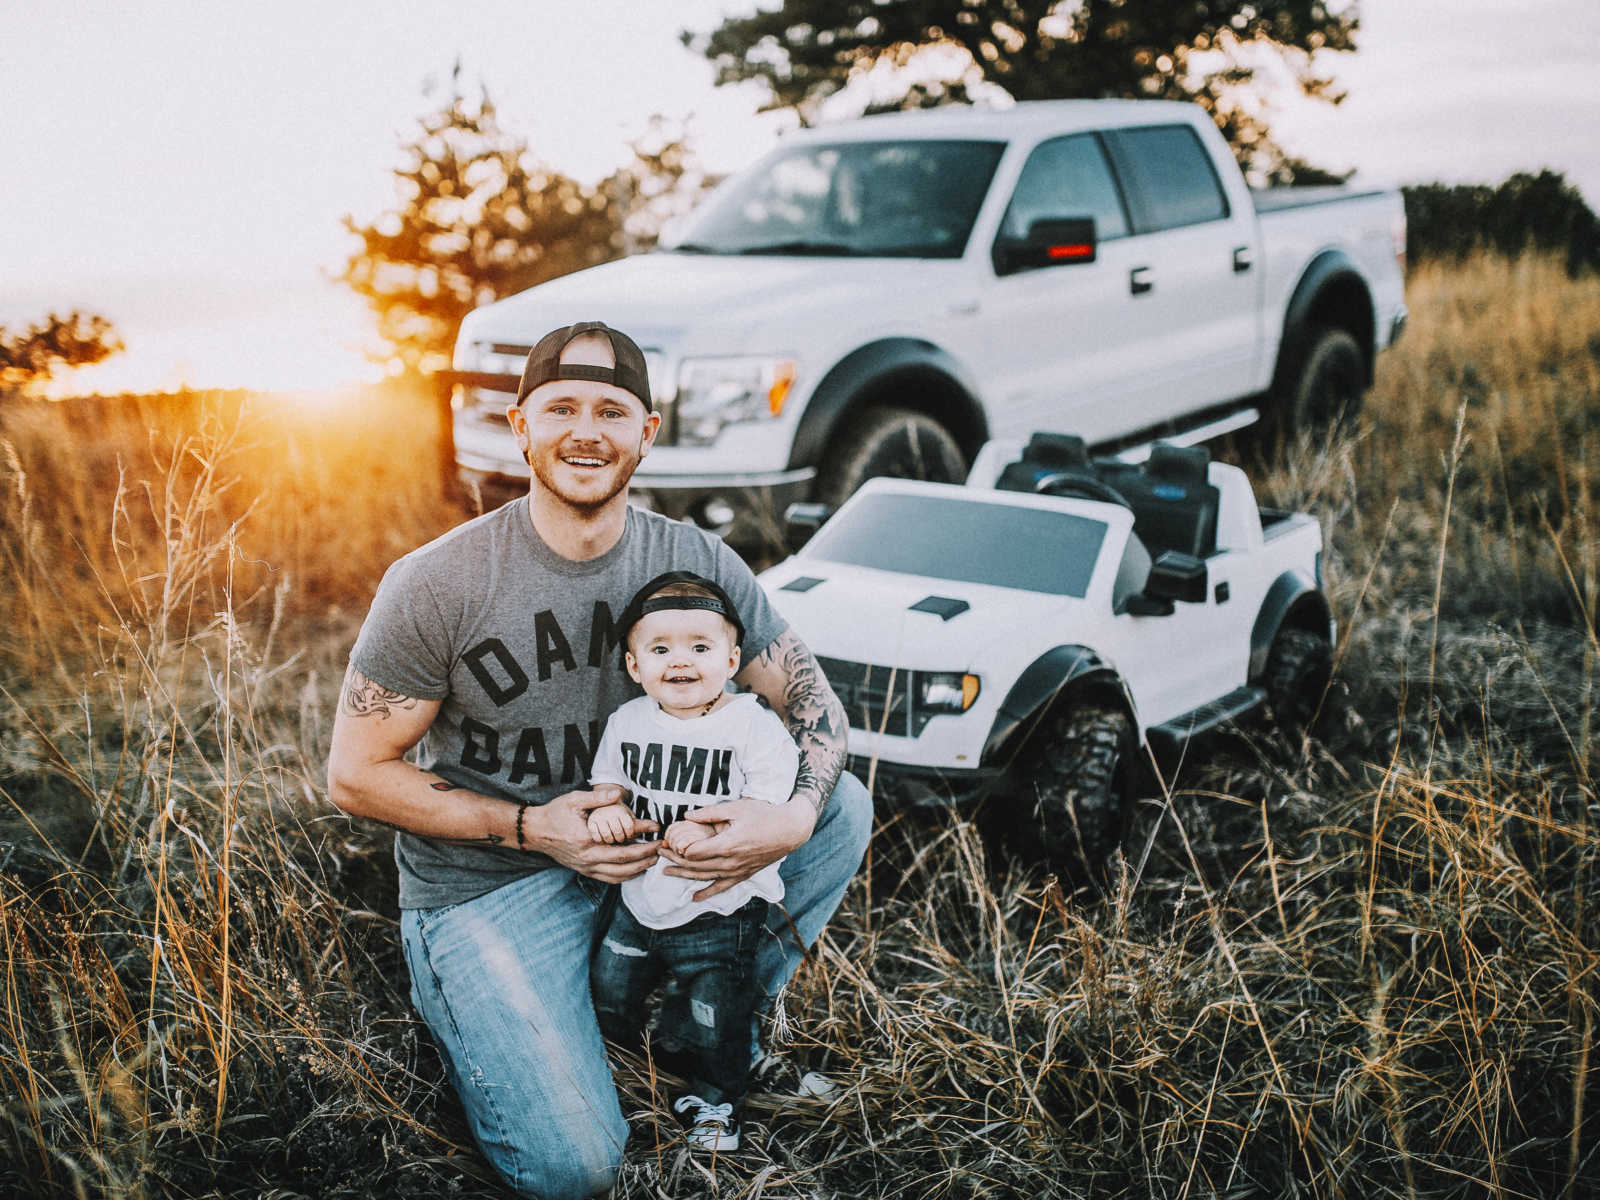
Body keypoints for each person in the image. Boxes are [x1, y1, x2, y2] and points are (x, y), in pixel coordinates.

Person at [326, 321, 871, 1200]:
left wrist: (793, 816)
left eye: (613, 410)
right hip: (492, 876)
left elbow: (814, 708)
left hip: (655, 849)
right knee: (574, 1168)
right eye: (563, 408)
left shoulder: (696, 562)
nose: (588, 430)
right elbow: (355, 773)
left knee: (842, 806)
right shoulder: (439, 581)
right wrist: (534, 827)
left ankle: (710, 1016)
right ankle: (527, 1007)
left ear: (646, 433)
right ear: (521, 427)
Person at [586, 572, 799, 1153]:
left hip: (718, 906)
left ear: (731, 660)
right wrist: (608, 813)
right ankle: (627, 1078)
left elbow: (771, 801)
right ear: (635, 666)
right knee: (609, 989)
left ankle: (719, 1102)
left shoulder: (752, 724)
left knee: (716, 1013)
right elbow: (607, 784)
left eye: (699, 648)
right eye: (660, 649)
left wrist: (711, 820)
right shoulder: (627, 722)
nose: (680, 662)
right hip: (640, 897)